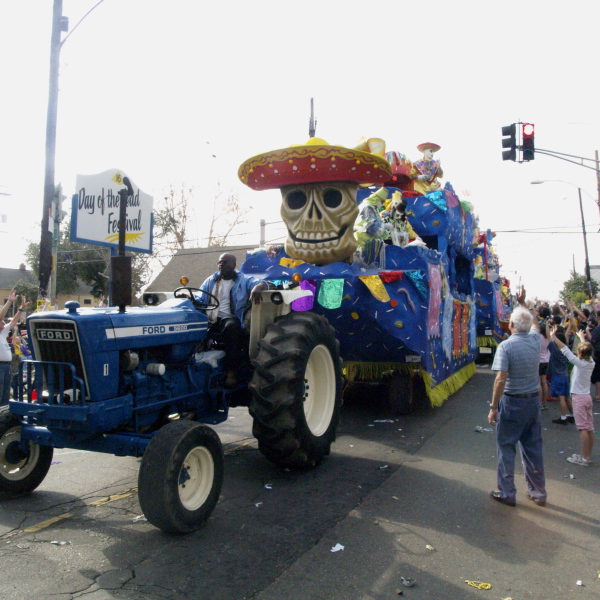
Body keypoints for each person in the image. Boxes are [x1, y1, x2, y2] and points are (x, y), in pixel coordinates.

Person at [488, 287, 547, 507]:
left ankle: (507, 493)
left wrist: (494, 406)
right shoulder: (534, 340)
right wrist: (523, 304)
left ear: (510, 325)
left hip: (512, 402)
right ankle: (538, 492)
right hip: (533, 401)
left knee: (506, 447)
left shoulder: (506, 346)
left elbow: (500, 379)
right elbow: (535, 324)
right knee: (533, 449)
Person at [196, 253, 270, 389]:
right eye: (220, 262)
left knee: (231, 328)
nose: (221, 265)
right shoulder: (211, 280)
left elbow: (262, 283)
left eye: (225, 262)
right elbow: (200, 298)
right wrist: (189, 299)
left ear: (234, 265)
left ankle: (232, 372)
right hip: (210, 317)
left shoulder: (243, 279)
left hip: (229, 317)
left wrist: (258, 287)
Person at [548, 326, 595, 466]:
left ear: (580, 352)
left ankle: (584, 458)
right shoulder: (590, 362)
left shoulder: (579, 363)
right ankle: (588, 456)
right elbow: (586, 350)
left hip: (579, 398)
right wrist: (582, 338)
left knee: (583, 429)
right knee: (589, 428)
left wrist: (553, 336)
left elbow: (565, 349)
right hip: (587, 396)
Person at [0, 292, 29, 406]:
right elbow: (1, 316)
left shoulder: (2, 334)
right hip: (0, 366)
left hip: (7, 366)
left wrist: (21, 309)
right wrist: (10, 301)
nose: (3, 324)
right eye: (2, 323)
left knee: (6, 395)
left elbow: (13, 323)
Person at [548, 323, 575, 425]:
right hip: (565, 376)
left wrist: (552, 333)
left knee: (561, 398)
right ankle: (572, 415)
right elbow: (566, 336)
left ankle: (563, 417)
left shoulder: (554, 350)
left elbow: (549, 338)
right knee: (567, 397)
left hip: (557, 376)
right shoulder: (566, 348)